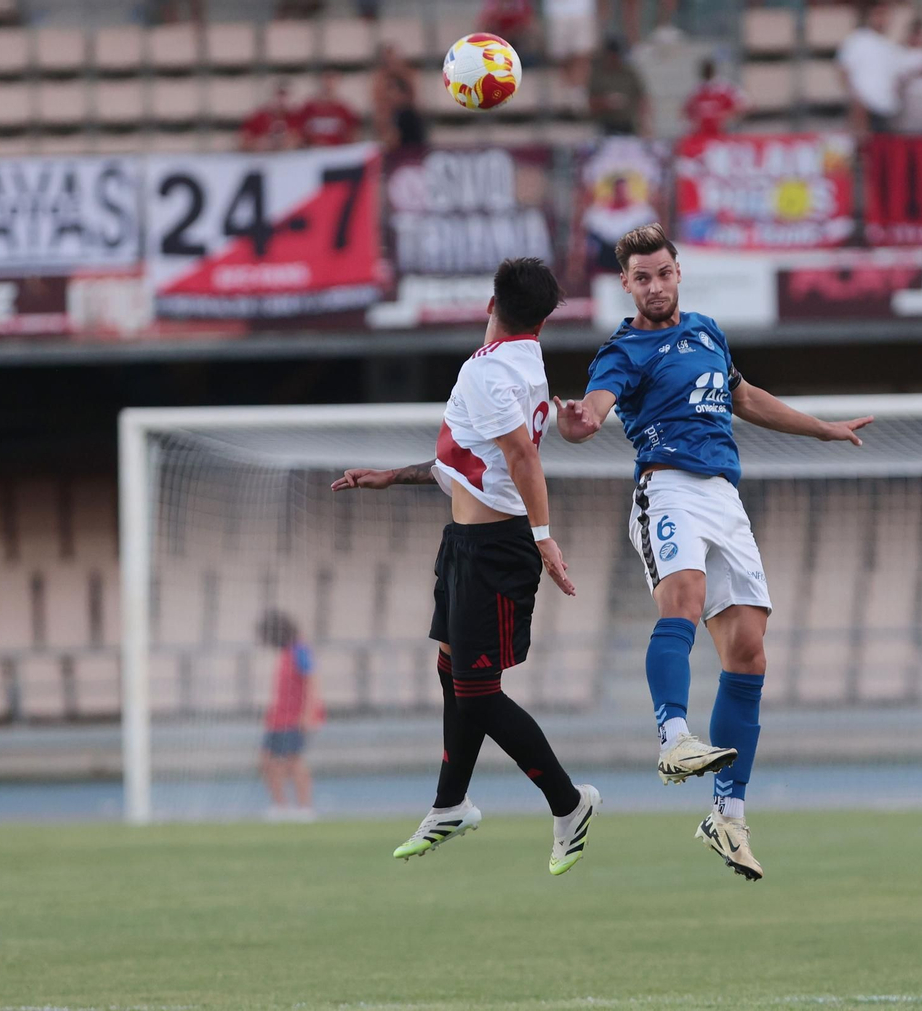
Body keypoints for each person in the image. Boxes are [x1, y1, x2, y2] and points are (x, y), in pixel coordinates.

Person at [552, 223, 874, 881]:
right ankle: (673, 737)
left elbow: (743, 396)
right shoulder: (623, 349)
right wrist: (579, 421)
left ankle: (726, 815)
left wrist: (822, 429)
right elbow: (595, 407)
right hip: (666, 486)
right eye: (643, 277)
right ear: (627, 285)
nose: (656, 284)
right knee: (684, 600)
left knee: (750, 650)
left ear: (677, 272)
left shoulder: (707, 330)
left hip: (725, 497)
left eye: (664, 272)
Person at [329, 258, 599, 876]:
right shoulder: (524, 365)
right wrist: (389, 477)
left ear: (489, 304)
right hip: (464, 544)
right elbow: (471, 463)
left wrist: (544, 537)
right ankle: (450, 804)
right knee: (454, 672)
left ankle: (569, 801)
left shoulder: (489, 372)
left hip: (496, 551)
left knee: (476, 693)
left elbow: (522, 458)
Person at [257, 611, 321, 822]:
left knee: (293, 761)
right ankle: (281, 807)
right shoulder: (286, 652)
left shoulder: (299, 650)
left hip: (293, 717)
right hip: (278, 717)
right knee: (266, 761)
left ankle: (305, 808)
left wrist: (307, 713)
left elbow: (311, 681)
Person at [837, 3, 903, 136]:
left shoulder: (891, 46)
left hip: (888, 109)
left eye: (885, 15)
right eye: (878, 14)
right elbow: (843, 71)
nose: (881, 19)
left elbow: (897, 78)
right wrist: (856, 101)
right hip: (865, 109)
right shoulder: (857, 40)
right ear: (870, 16)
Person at [588, 37, 650, 137]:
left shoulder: (629, 73)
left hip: (628, 125)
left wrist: (644, 122)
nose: (614, 58)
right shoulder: (597, 74)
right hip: (604, 125)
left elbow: (642, 97)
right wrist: (605, 102)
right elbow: (589, 102)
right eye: (611, 55)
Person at [683, 59, 746, 138]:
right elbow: (686, 111)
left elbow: (742, 104)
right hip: (701, 133)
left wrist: (727, 117)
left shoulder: (724, 88)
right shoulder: (696, 90)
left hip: (722, 132)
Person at [297, 71, 361, 147]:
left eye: (331, 81)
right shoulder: (309, 108)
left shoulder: (343, 109)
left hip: (335, 152)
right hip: (313, 152)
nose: (328, 85)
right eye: (326, 80)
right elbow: (299, 132)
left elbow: (352, 133)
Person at [239, 81, 302, 152]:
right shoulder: (259, 116)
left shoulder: (296, 117)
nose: (282, 100)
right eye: (279, 95)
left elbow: (306, 141)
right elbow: (242, 141)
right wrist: (257, 143)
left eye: (285, 96)